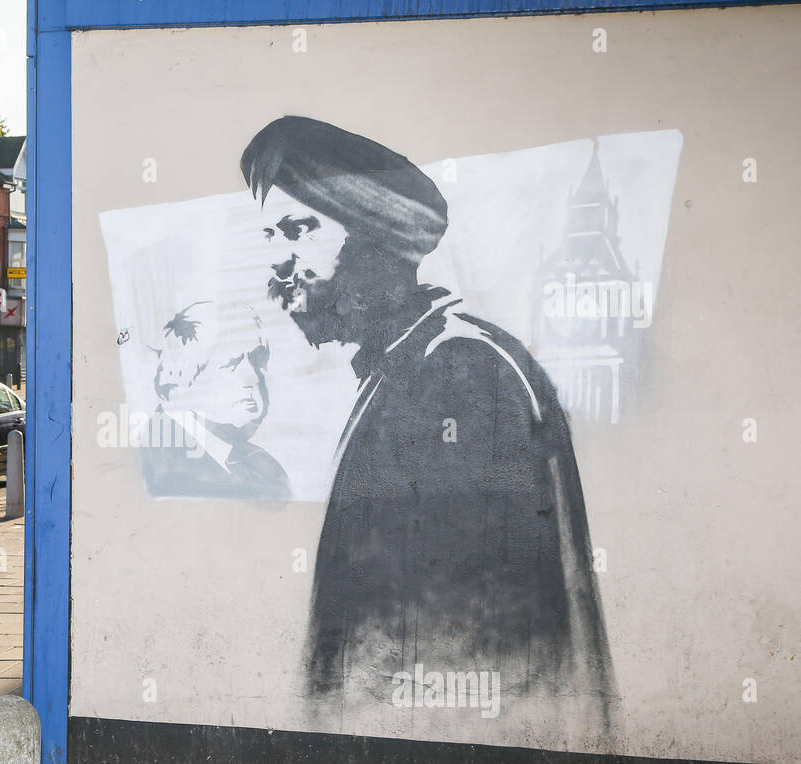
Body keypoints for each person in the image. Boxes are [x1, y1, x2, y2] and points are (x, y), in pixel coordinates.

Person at [240, 116, 617, 726]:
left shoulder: (458, 370)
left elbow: (468, 627)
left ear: (373, 238)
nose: (278, 265)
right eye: (268, 238)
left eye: (297, 231)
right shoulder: (409, 367)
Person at [140, 299, 291, 500]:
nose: (254, 378)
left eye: (255, 359)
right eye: (231, 364)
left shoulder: (261, 464)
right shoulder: (156, 468)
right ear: (183, 376)